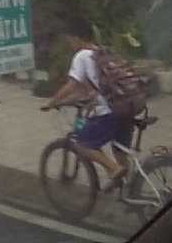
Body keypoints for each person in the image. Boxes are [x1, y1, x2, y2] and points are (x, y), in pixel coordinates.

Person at [41, 29, 134, 190]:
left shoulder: (81, 56)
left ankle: (114, 169)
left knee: (82, 144)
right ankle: (129, 189)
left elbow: (72, 84)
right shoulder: (102, 52)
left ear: (76, 38)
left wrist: (52, 102)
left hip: (109, 112)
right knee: (119, 150)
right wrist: (67, 101)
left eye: (70, 40)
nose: (69, 44)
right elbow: (87, 91)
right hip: (126, 106)